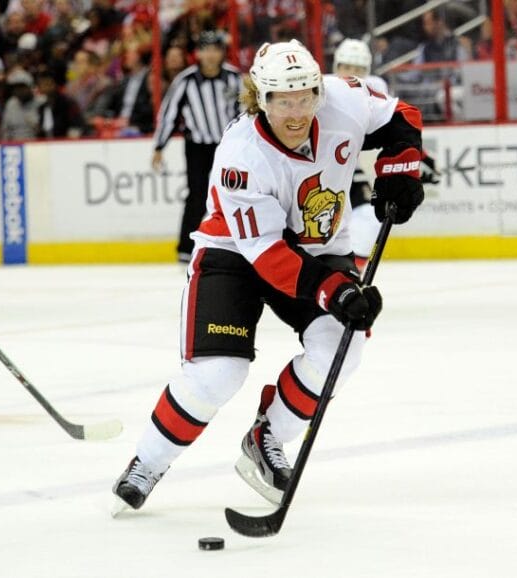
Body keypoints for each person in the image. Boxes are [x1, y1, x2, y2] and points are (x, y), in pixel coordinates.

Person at [112, 39, 424, 512]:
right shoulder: (241, 154)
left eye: (306, 97)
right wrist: (337, 291)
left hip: (318, 249)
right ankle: (149, 461)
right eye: (283, 100)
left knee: (341, 345)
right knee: (218, 374)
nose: (297, 112)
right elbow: (270, 257)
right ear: (260, 97)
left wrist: (400, 170)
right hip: (236, 252)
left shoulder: (344, 98)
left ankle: (268, 437)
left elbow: (401, 117)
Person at [332, 38, 439, 271]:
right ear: (336, 67)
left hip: (349, 169)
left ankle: (351, 273)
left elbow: (394, 129)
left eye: (359, 69)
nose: (353, 74)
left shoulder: (373, 89)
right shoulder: (324, 90)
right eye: (347, 67)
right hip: (325, 169)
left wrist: (416, 160)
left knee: (368, 218)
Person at [151, 30, 242, 263]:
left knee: (236, 192)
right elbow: (169, 114)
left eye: (215, 49)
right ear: (198, 53)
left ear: (222, 52)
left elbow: (246, 112)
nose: (211, 55)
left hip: (228, 146)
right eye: (206, 49)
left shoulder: (234, 78)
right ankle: (184, 247)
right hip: (198, 147)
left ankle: (239, 241)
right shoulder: (185, 80)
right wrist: (159, 146)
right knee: (197, 194)